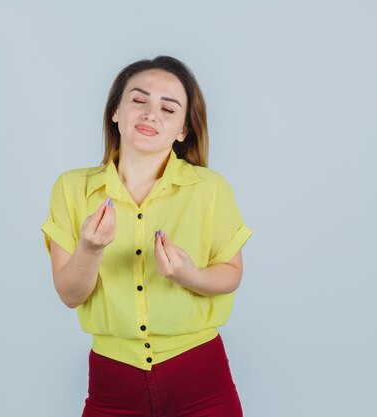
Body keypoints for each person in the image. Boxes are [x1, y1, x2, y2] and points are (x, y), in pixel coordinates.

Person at [40, 56, 252, 417]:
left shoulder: (210, 189)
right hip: (112, 383)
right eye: (139, 100)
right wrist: (90, 248)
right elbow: (70, 295)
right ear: (116, 112)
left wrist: (189, 275)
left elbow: (231, 273)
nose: (151, 114)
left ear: (184, 129)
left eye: (168, 108)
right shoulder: (72, 188)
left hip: (201, 380)